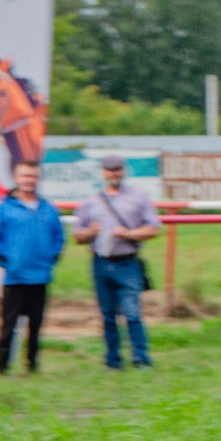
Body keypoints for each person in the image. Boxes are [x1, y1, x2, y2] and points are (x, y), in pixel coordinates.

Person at [72, 152, 159, 369]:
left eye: (117, 169)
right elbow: (77, 236)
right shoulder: (92, 202)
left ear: (124, 171)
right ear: (103, 173)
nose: (114, 173)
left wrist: (128, 234)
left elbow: (153, 228)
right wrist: (91, 231)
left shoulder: (138, 198)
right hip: (100, 262)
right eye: (110, 170)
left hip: (127, 262)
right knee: (108, 315)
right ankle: (113, 360)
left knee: (132, 313)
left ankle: (141, 358)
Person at [0, 161, 65, 374]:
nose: (28, 180)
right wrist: (6, 262)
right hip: (14, 277)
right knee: (9, 324)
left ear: (37, 179)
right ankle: (2, 366)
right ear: (16, 178)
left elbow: (59, 238)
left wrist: (50, 259)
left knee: (36, 325)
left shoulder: (48, 209)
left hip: (40, 277)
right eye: (24, 176)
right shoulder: (4, 207)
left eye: (32, 176)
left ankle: (32, 364)